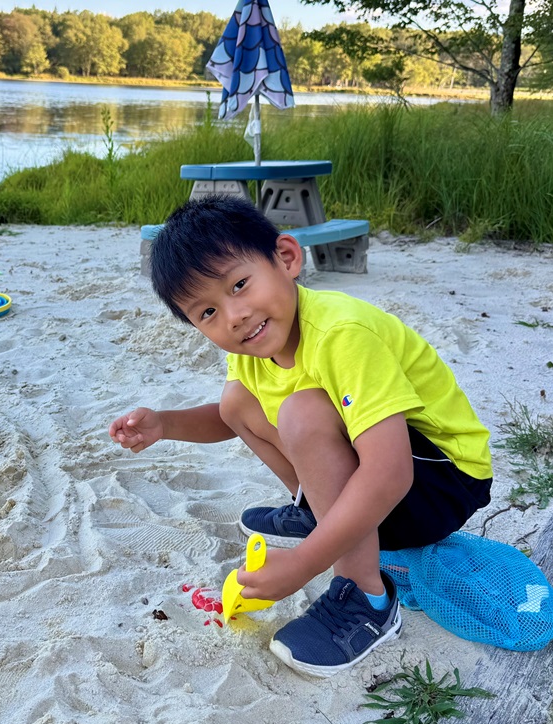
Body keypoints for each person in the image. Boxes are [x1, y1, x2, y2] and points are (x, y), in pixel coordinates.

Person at [108, 196, 492, 678]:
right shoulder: (252, 347)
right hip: (388, 488)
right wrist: (166, 424)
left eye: (239, 285)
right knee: (238, 400)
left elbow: (389, 472)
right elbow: (230, 419)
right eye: (207, 312)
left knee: (303, 412)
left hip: (443, 483)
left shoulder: (341, 332)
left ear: (287, 258)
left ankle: (366, 596)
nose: (234, 316)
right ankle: (321, 511)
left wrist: (304, 564)